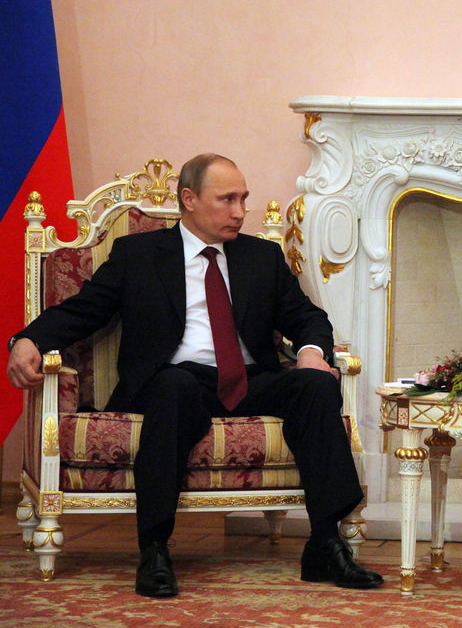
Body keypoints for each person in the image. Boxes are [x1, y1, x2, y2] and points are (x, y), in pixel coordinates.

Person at [7, 153, 383, 597]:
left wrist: (310, 353)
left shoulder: (261, 256)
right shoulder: (139, 255)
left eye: (243, 199)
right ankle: (154, 550)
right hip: (175, 381)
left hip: (248, 380)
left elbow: (308, 317)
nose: (240, 211)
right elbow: (82, 311)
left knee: (317, 384)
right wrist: (27, 340)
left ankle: (325, 543)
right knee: (173, 385)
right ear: (189, 199)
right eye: (227, 199)